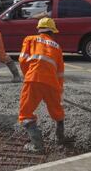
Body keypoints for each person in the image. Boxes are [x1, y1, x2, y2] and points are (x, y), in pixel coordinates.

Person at [18, 17, 66, 152]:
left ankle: (37, 145)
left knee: (25, 113)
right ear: (52, 32)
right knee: (57, 111)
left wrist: (28, 75)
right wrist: (59, 90)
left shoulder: (30, 39)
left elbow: (22, 60)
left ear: (39, 30)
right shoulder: (57, 47)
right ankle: (60, 137)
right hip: (52, 83)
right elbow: (60, 72)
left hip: (33, 79)